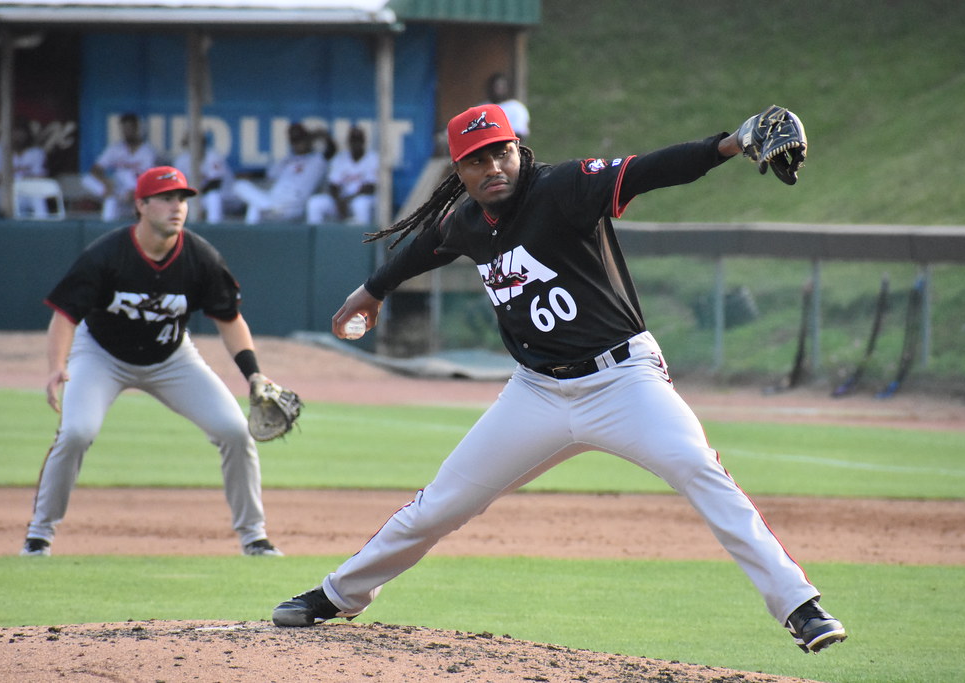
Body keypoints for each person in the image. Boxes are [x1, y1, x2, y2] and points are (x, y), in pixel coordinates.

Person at [271, 104, 847, 654]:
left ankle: (800, 605)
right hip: (536, 393)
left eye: (500, 153)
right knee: (440, 504)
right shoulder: (470, 221)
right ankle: (338, 594)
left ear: (518, 151)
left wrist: (730, 142)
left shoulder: (564, 187)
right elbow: (428, 246)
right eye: (476, 159)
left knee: (700, 469)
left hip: (624, 380)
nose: (492, 167)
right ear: (460, 171)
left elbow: (650, 169)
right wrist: (371, 294)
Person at [20, 165, 284, 558]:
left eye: (182, 199)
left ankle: (255, 538)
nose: (176, 206)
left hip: (172, 357)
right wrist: (58, 364)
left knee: (234, 431)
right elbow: (65, 314)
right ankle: (39, 536)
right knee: (76, 432)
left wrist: (254, 374)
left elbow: (230, 321)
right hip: (101, 354)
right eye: (165, 198)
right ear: (140, 205)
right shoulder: (107, 255)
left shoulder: (200, 257)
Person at [233, 122, 336, 225]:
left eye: (300, 139)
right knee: (240, 185)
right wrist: (249, 175)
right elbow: (266, 174)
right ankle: (267, 210)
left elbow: (331, 150)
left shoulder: (318, 160)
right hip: (272, 201)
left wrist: (319, 135)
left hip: (293, 206)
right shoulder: (286, 160)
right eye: (294, 140)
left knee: (255, 206)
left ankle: (269, 209)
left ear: (308, 139)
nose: (297, 143)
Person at [82, 113, 157, 222]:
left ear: (137, 128)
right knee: (88, 180)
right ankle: (106, 227)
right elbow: (96, 169)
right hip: (117, 189)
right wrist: (106, 182)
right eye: (124, 129)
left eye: (130, 128)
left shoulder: (148, 151)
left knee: (125, 178)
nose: (127, 132)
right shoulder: (115, 148)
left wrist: (135, 191)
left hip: (138, 188)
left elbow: (150, 176)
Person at [305, 125, 378, 225]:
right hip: (341, 200)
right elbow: (333, 185)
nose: (356, 143)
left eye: (358, 140)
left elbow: (370, 187)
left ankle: (362, 238)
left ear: (363, 141)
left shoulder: (373, 158)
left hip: (362, 199)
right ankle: (316, 237)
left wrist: (346, 200)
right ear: (349, 142)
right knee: (315, 203)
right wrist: (338, 200)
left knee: (360, 204)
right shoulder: (340, 158)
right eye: (353, 140)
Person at [0, 118, 49, 217]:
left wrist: (14, 175)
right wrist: (23, 173)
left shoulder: (36, 152)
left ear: (27, 134)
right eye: (14, 132)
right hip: (5, 191)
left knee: (38, 200)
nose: (18, 136)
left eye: (21, 132)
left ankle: (43, 228)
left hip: (27, 193)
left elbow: (40, 176)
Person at [173, 132, 240, 223]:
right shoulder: (182, 160)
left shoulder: (213, 156)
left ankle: (214, 228)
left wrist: (195, 192)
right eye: (190, 143)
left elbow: (216, 183)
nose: (193, 146)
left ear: (202, 143)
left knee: (213, 197)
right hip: (196, 197)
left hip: (225, 197)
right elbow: (176, 184)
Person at [486, 72, 530, 139]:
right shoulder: (482, 107)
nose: (498, 90)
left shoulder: (516, 108)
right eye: (496, 86)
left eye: (501, 86)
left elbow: (519, 134)